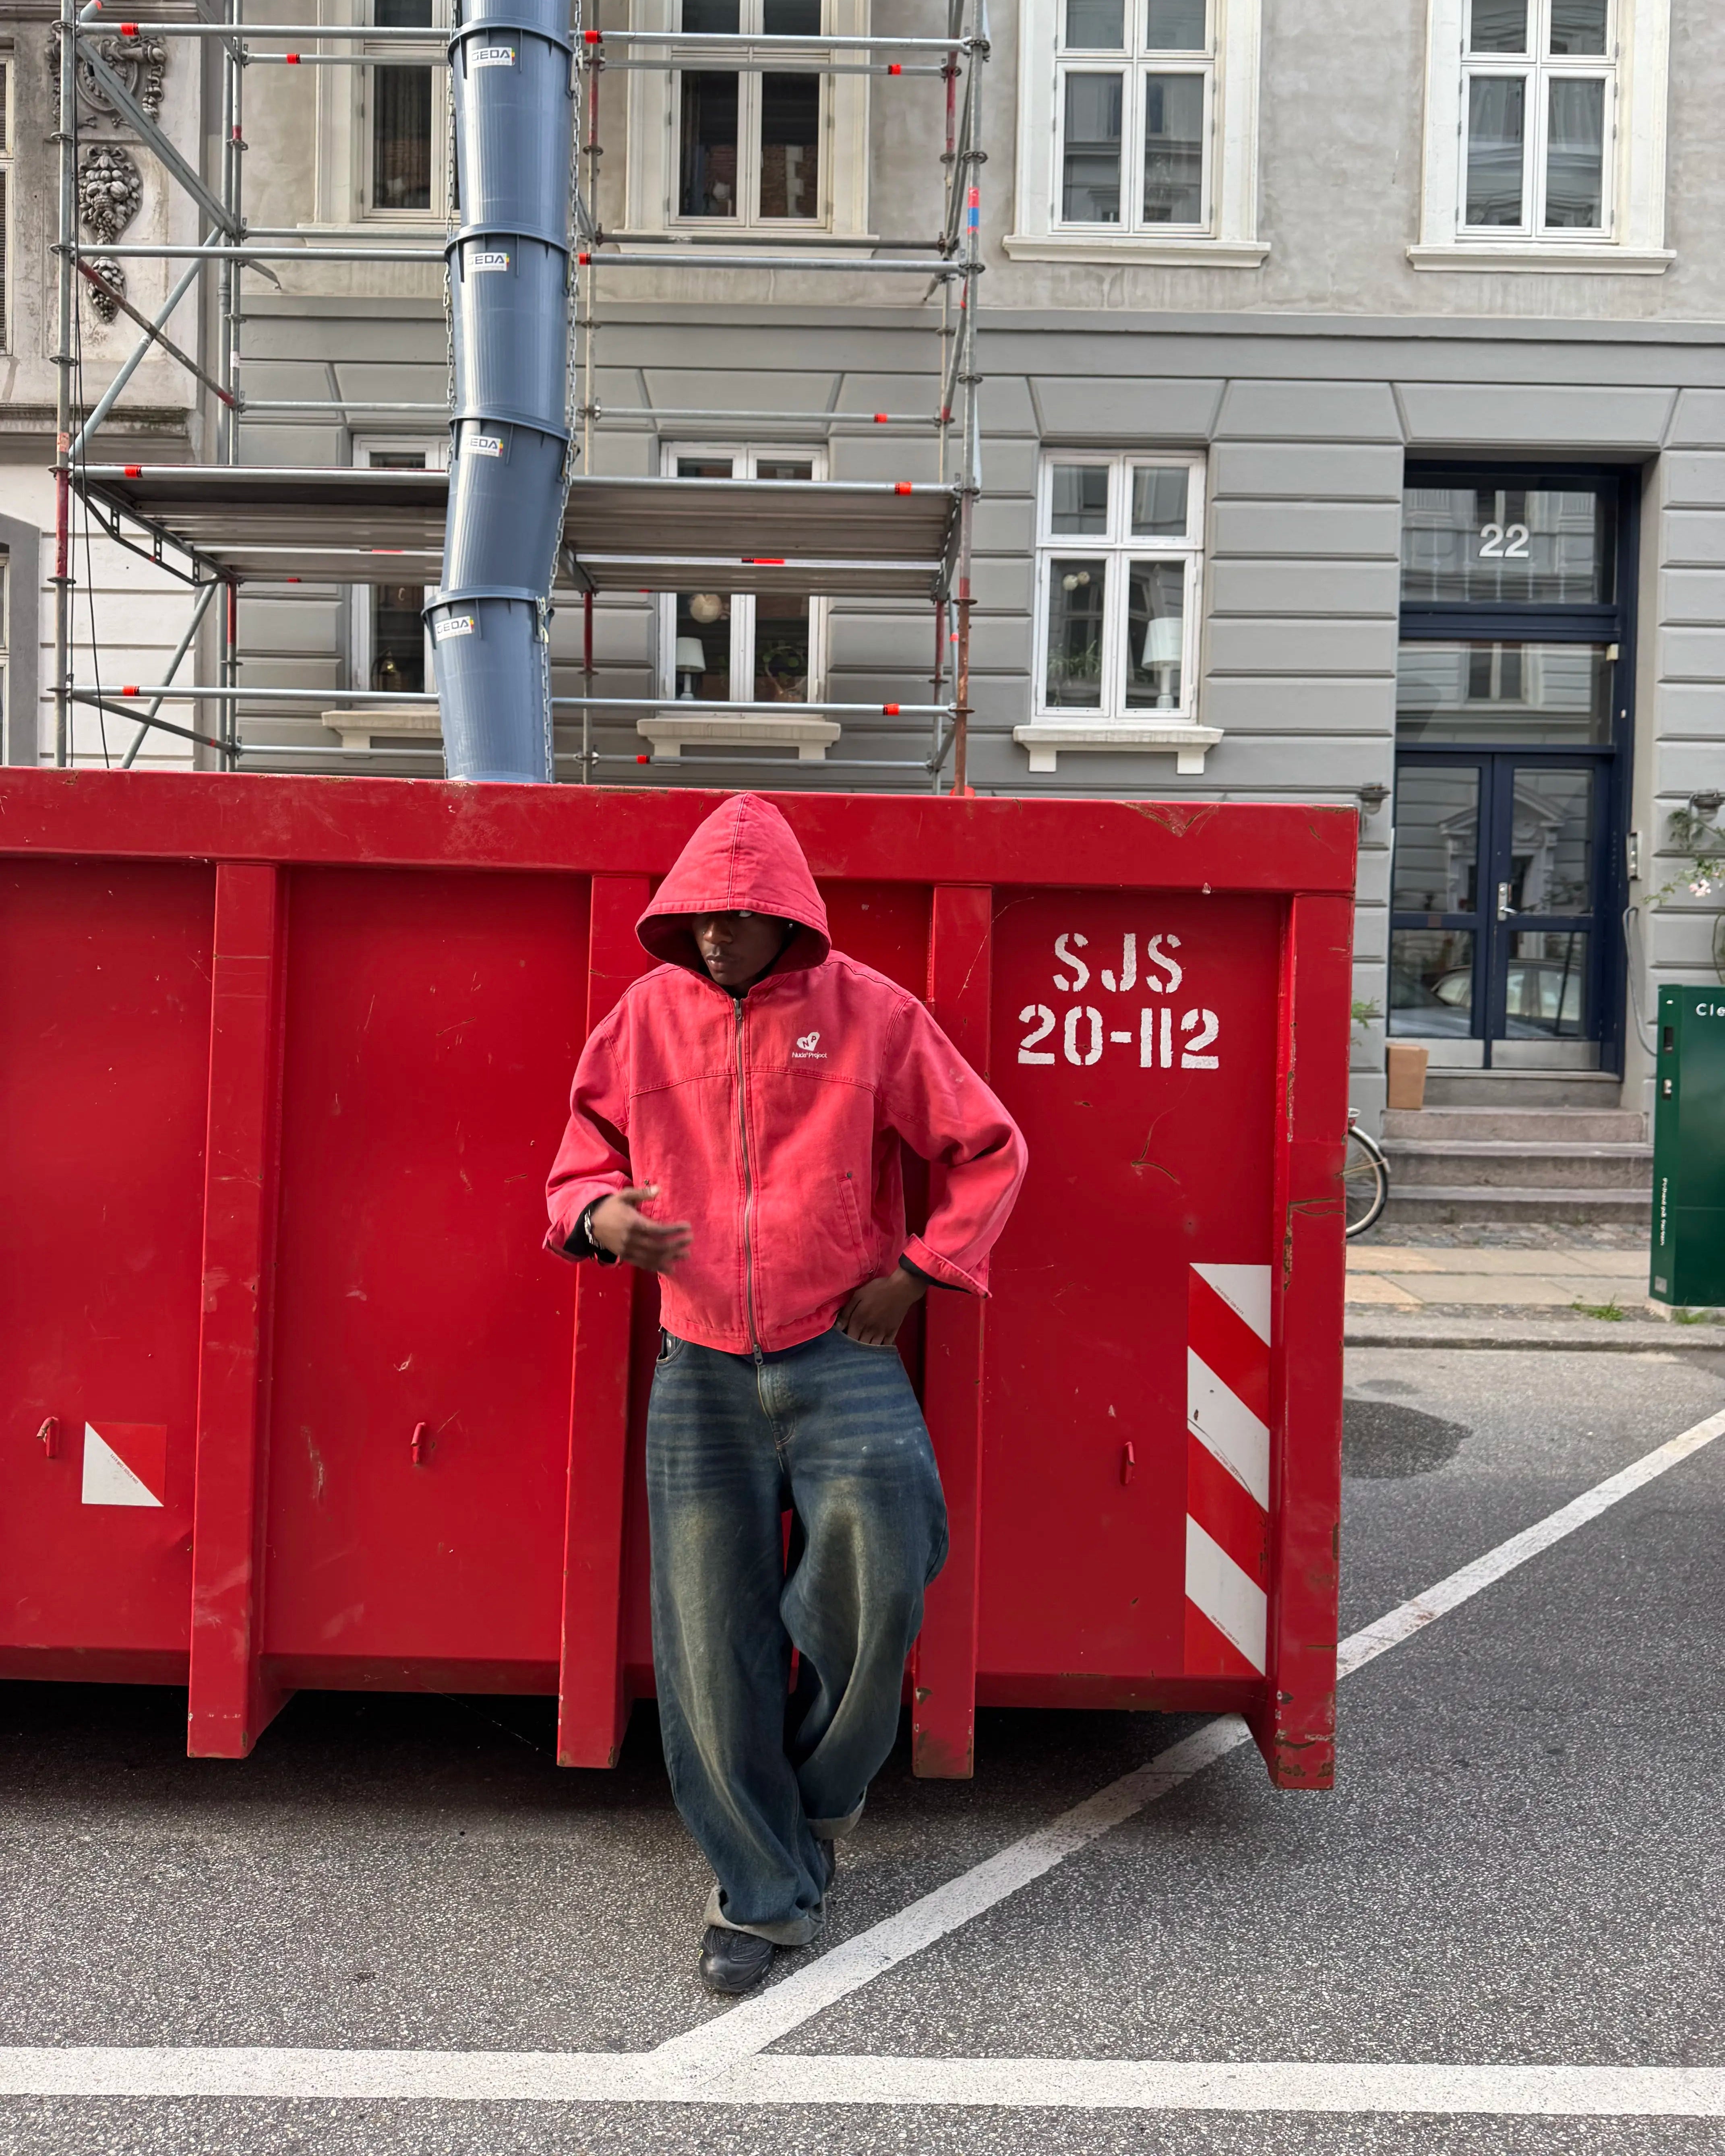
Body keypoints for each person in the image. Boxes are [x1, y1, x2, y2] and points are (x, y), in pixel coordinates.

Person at [544, 792, 1027, 1995]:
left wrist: (918, 1275)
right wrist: (600, 1218)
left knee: (885, 1573)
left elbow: (988, 1148)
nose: (716, 936)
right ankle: (759, 1893)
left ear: (790, 918)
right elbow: (580, 1156)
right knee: (710, 1639)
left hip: (840, 1352)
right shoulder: (644, 1018)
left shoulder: (873, 1014)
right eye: (699, 917)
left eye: (740, 916)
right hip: (698, 1364)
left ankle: (813, 1801)